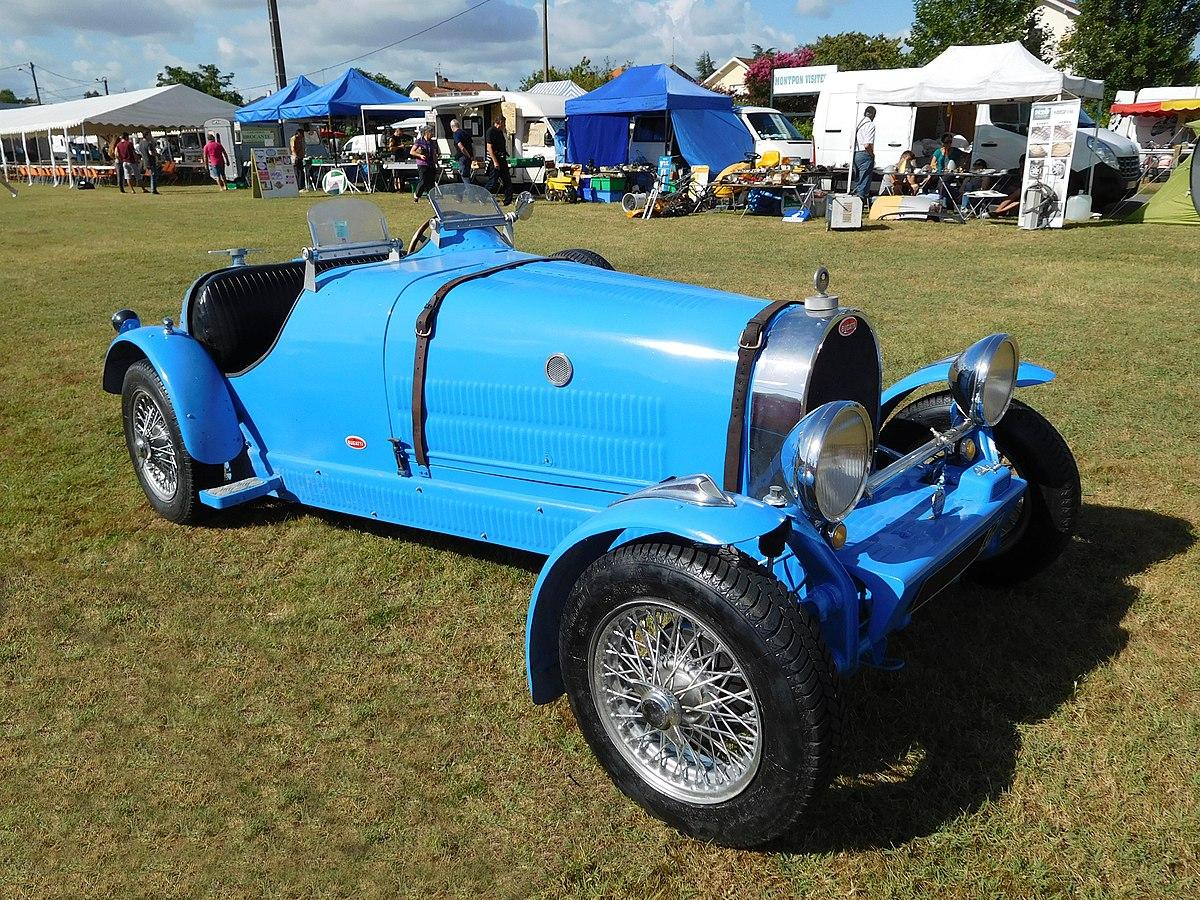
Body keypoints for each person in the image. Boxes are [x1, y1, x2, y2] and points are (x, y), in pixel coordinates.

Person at [485, 115, 514, 205]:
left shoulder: (500, 132)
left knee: (507, 180)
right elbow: (489, 148)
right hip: (495, 159)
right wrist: (495, 162)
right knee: (493, 182)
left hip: (502, 158)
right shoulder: (491, 131)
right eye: (504, 123)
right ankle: (482, 196)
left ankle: (507, 201)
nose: (505, 125)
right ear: (500, 123)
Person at [851, 106, 876, 206]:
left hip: (855, 153)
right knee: (864, 181)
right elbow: (867, 144)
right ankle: (859, 205)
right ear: (873, 115)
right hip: (864, 154)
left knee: (858, 180)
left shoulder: (858, 124)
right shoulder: (870, 125)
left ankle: (855, 204)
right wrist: (872, 155)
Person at [410, 124, 439, 201]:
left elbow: (434, 153)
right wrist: (420, 155)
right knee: (423, 181)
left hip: (431, 163)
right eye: (431, 132)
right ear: (426, 132)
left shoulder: (432, 142)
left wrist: (436, 161)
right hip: (422, 164)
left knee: (431, 182)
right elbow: (412, 152)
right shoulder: (419, 141)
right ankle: (417, 195)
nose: (432, 134)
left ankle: (431, 198)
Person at [451, 118, 473, 183]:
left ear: (452, 126)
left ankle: (469, 189)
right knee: (467, 175)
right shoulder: (465, 133)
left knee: (464, 176)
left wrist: (467, 155)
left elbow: (461, 147)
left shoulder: (456, 134)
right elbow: (472, 145)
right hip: (469, 158)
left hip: (463, 157)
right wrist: (472, 156)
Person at [290, 124, 308, 192]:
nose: (303, 136)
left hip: (300, 157)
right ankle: (299, 187)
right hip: (296, 157)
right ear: (299, 133)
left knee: (301, 171)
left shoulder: (300, 139)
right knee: (298, 172)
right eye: (302, 134)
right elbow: (293, 148)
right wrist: (296, 156)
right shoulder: (294, 138)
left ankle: (302, 186)